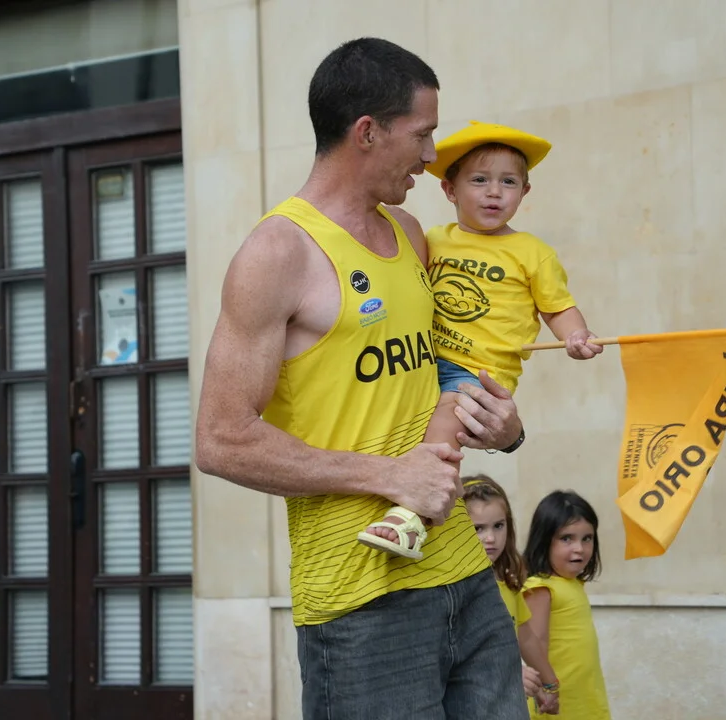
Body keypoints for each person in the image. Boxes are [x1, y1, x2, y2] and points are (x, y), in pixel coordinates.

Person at [192, 37, 530, 719]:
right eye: (423, 134)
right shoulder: (276, 253)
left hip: (466, 577)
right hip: (360, 600)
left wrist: (504, 427)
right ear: (368, 132)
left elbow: (438, 374)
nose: (432, 156)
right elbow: (221, 440)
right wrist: (389, 476)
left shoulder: (410, 233)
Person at [358, 121, 601, 560]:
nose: (494, 193)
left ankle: (411, 518)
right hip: (422, 360)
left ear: (525, 192)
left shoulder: (532, 252)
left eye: (508, 182)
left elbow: (558, 308)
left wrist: (576, 335)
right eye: (479, 180)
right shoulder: (434, 240)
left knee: (444, 429)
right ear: (449, 190)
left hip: (478, 374)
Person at [462, 474, 561, 715]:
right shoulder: (456, 589)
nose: (490, 538)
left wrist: (549, 684)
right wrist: (510, 673)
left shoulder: (507, 582)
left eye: (498, 526)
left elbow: (525, 637)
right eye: (478, 528)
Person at [522, 490, 611, 719]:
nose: (579, 548)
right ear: (544, 541)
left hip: (584, 700)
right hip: (556, 704)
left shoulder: (573, 584)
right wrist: (547, 689)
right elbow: (535, 643)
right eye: (566, 539)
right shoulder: (541, 587)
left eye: (587, 538)